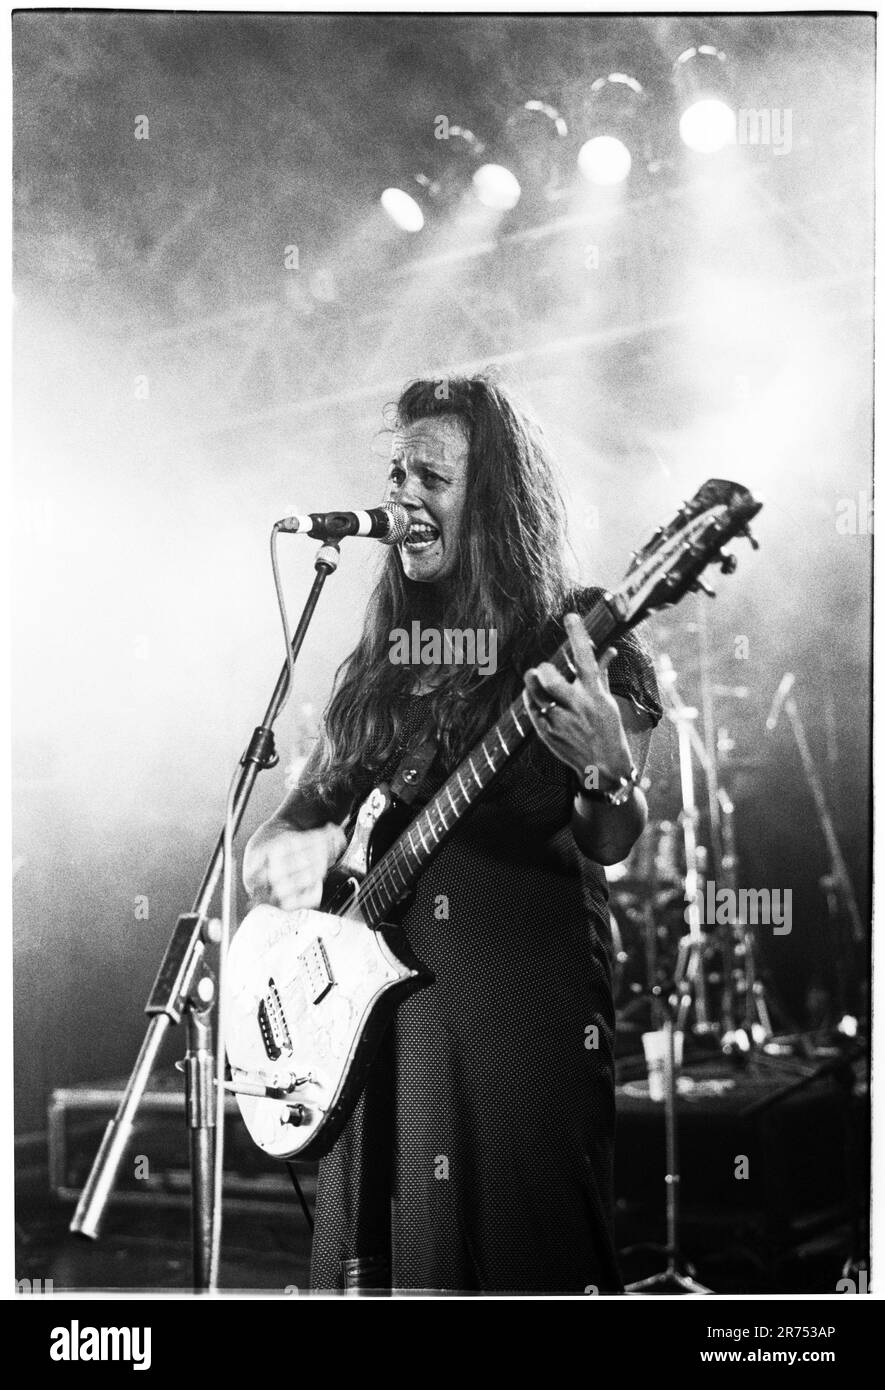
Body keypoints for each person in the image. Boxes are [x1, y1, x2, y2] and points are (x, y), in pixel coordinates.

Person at [242, 374, 662, 1294]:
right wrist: (288, 859)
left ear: (494, 501)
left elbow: (612, 835)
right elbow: (283, 830)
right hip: (376, 1035)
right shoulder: (390, 659)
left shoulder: (573, 640)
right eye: (395, 472)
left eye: (429, 476)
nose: (400, 495)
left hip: (513, 1034)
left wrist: (603, 763)